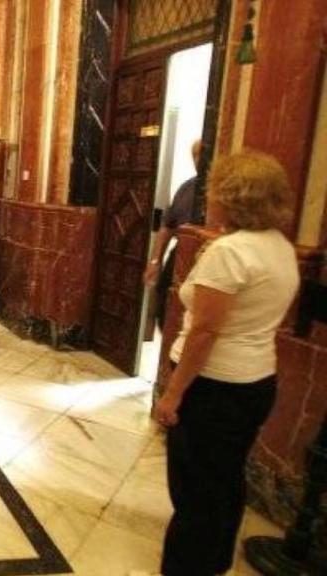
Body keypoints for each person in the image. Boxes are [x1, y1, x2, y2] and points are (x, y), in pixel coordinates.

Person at [153, 151, 299, 575]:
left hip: (213, 388)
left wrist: (174, 393)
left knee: (194, 493)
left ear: (231, 197)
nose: (209, 198)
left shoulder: (230, 252)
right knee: (226, 483)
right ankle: (214, 565)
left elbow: (205, 332)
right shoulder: (281, 248)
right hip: (256, 382)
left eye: (215, 190)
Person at [144, 140, 203, 328]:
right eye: (195, 155)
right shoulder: (186, 188)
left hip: (202, 259)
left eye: (201, 155)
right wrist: (155, 261)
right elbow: (167, 227)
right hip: (178, 256)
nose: (197, 160)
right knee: (164, 308)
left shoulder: (219, 193)